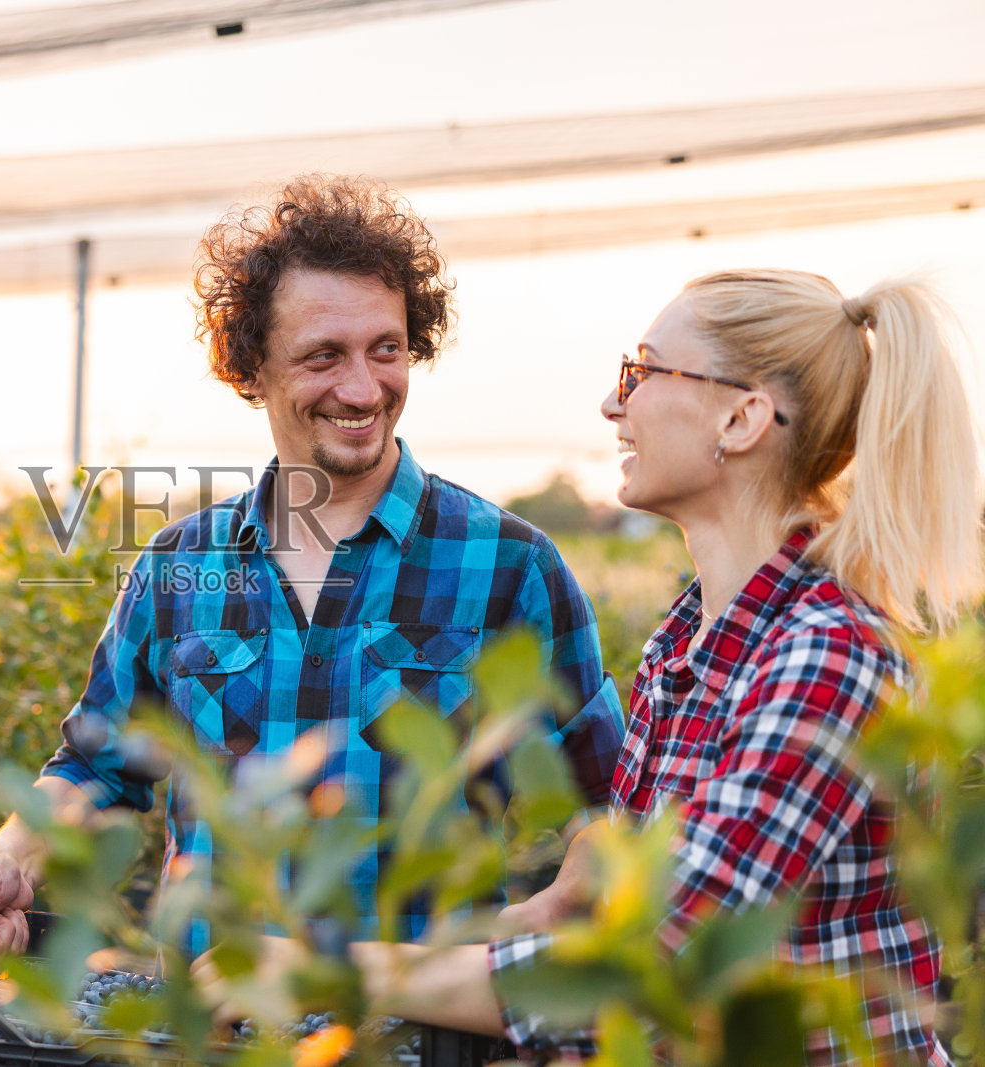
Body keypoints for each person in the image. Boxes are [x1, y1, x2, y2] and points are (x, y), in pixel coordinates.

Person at [0, 174, 626, 959]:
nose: (364, 388)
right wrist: (7, 857)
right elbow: (98, 765)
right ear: (251, 369)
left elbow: (606, 795)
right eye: (323, 356)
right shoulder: (179, 568)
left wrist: (527, 936)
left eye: (387, 350)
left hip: (417, 1036)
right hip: (212, 1027)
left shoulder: (508, 564)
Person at [317, 269, 983, 1065]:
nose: (613, 404)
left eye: (642, 371)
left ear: (741, 417)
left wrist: (326, 975)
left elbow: (655, 962)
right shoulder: (688, 636)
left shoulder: (830, 655)